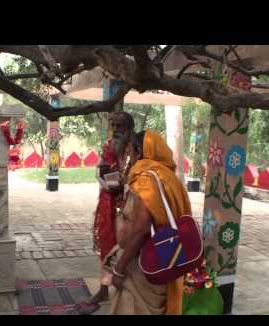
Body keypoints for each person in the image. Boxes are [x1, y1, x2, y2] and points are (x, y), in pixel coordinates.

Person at [109, 129, 192, 315]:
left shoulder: (147, 180)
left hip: (143, 264)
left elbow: (140, 230)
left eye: (130, 153)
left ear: (139, 152)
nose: (129, 158)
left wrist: (120, 268)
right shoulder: (170, 178)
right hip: (167, 256)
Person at [76, 112, 135, 314]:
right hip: (107, 202)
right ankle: (103, 290)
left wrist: (124, 186)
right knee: (105, 247)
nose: (117, 129)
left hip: (128, 204)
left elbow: (137, 176)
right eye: (115, 125)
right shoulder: (108, 145)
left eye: (121, 126)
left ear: (130, 128)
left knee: (127, 247)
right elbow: (99, 170)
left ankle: (127, 292)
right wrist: (105, 184)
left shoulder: (136, 149)